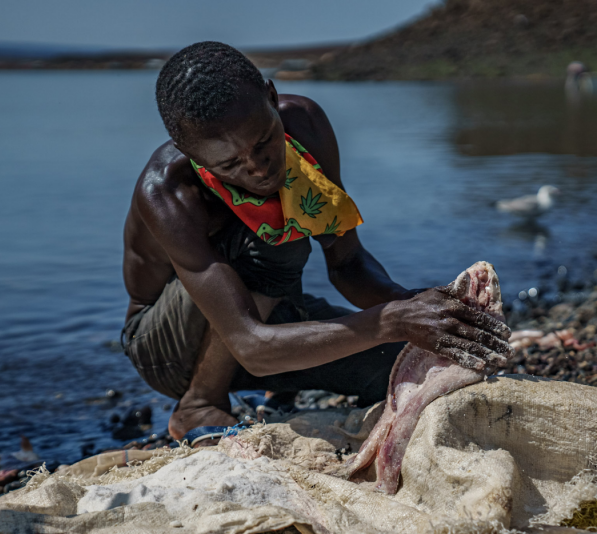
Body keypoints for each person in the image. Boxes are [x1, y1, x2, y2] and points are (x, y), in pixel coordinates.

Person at [121, 41, 511, 444]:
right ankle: (199, 403)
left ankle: (280, 385)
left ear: (272, 98)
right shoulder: (168, 192)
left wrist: (418, 308)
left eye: (263, 142)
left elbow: (348, 264)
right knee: (278, 242)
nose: (257, 168)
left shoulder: (304, 125)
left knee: (398, 367)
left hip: (268, 323)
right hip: (170, 349)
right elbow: (249, 344)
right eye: (230, 165)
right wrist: (390, 320)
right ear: (190, 152)